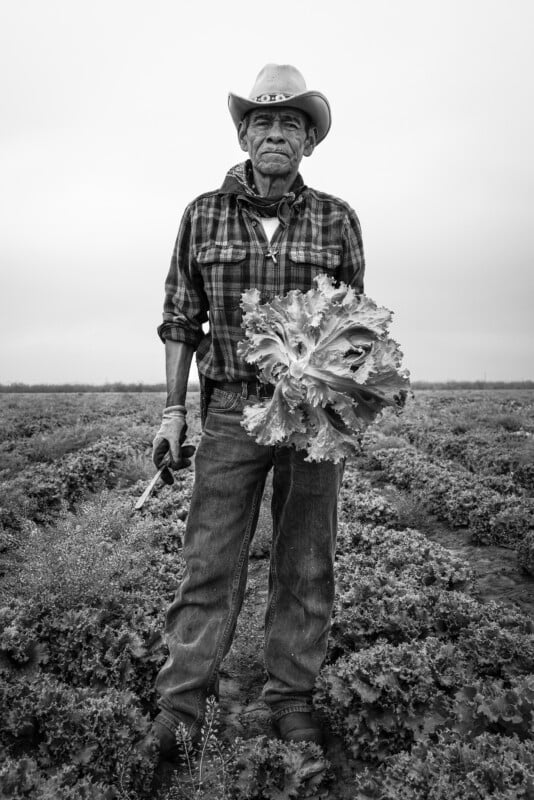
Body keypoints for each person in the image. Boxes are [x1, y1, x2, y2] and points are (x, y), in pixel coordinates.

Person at [151, 63, 365, 759]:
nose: (276, 134)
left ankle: (290, 699)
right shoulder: (202, 214)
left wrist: (339, 390)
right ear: (245, 135)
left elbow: (354, 326)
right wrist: (172, 412)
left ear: (309, 143)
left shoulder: (337, 219)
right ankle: (182, 706)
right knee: (210, 562)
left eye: (291, 125)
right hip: (230, 412)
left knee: (305, 561)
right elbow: (182, 319)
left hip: (310, 416)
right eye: (264, 122)